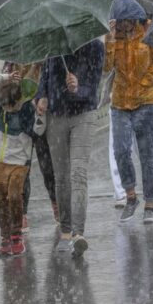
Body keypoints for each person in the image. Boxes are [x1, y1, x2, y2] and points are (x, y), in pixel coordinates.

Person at [103, 0, 153, 223]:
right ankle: (131, 196)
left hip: (148, 103)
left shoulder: (150, 33)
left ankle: (150, 202)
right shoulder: (113, 37)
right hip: (121, 103)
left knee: (148, 154)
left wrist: (145, 83)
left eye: (125, 22)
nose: (122, 26)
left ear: (134, 19)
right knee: (121, 150)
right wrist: (110, 41)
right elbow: (106, 67)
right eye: (117, 22)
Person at [36, 38, 105, 258]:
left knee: (78, 174)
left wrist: (79, 87)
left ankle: (78, 232)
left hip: (83, 114)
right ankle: (65, 231)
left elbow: (94, 85)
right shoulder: (53, 45)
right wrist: (41, 97)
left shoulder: (95, 46)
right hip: (56, 115)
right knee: (61, 176)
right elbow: (44, 76)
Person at [0, 70, 35, 257]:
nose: (9, 110)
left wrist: (40, 115)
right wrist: (5, 77)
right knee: (1, 200)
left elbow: (37, 131)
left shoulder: (27, 109)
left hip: (19, 161)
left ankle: (16, 235)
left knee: (14, 196)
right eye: (6, 107)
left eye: (13, 106)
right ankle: (5, 237)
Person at [2, 62, 58, 229]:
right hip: (20, 117)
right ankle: (22, 213)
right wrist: (10, 80)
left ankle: (56, 203)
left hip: (42, 114)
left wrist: (41, 96)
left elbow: (53, 80)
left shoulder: (47, 56)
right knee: (22, 168)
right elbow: (4, 89)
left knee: (48, 167)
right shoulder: (12, 59)